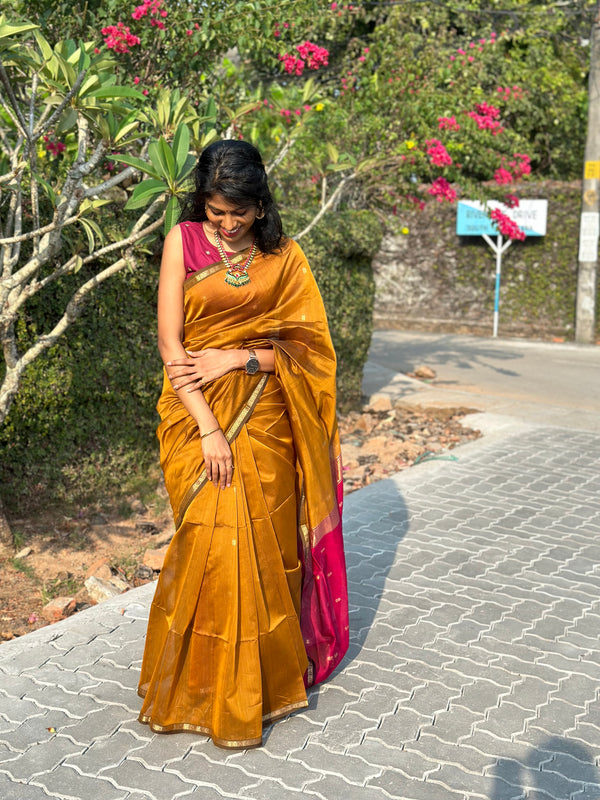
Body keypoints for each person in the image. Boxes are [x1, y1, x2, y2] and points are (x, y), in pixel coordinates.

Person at [137, 139, 349, 749]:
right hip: (194, 414)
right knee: (208, 539)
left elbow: (310, 351)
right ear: (201, 203)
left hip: (266, 416)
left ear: (261, 205)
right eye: (216, 211)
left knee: (262, 547)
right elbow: (172, 346)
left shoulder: (285, 258)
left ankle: (262, 687)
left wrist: (241, 356)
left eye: (240, 213)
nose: (227, 226)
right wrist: (206, 426)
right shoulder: (183, 240)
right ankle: (193, 687)